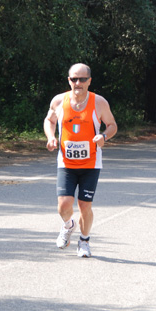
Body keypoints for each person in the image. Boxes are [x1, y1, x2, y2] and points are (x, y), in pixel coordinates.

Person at [44, 63, 117, 258]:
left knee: (85, 205)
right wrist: (51, 137)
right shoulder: (59, 101)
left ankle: (84, 241)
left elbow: (112, 125)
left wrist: (104, 136)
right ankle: (68, 225)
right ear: (69, 80)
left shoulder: (99, 102)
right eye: (74, 79)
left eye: (82, 79)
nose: (78, 83)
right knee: (64, 205)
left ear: (89, 81)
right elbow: (49, 120)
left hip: (91, 164)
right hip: (66, 163)